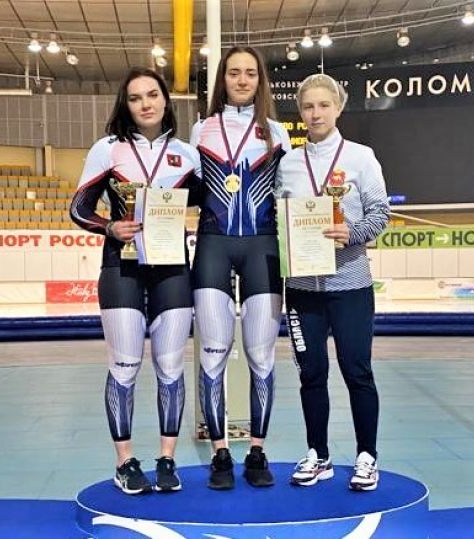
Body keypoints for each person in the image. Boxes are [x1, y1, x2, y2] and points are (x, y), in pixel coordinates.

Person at [70, 67, 200, 494]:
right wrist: (109, 227)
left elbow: (211, 204)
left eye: (152, 94)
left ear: (166, 99)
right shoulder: (107, 149)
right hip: (121, 268)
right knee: (124, 366)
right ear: (125, 105)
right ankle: (124, 462)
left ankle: (167, 459)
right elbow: (78, 208)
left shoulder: (187, 154)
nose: (145, 103)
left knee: (170, 367)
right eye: (135, 97)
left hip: (172, 268)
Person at [275, 73, 389, 491]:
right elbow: (279, 217)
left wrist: (352, 233)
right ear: (300, 112)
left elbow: (380, 213)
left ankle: (366, 456)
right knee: (311, 373)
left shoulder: (361, 157)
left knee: (357, 371)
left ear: (338, 108)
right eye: (308, 106)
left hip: (350, 286)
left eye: (324, 105)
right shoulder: (288, 163)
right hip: (302, 290)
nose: (316, 113)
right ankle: (318, 455)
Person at [190, 46, 291, 489]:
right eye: (234, 72)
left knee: (261, 355)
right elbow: (189, 190)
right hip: (212, 245)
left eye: (251, 73)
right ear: (223, 79)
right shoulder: (201, 129)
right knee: (213, 352)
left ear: (260, 80)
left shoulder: (277, 132)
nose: (243, 80)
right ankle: (220, 453)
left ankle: (256, 450)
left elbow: (290, 193)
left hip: (262, 248)